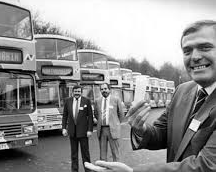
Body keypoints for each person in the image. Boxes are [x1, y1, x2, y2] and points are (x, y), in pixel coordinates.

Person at [86, 20, 216, 172]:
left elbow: (207, 166)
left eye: (205, 47)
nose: (194, 57)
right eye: (187, 51)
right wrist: (141, 128)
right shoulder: (182, 91)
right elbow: (160, 133)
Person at [62, 85, 94, 172]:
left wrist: (90, 130)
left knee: (85, 154)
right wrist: (64, 128)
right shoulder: (68, 101)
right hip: (72, 132)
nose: (77, 93)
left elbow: (90, 116)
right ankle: (74, 170)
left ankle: (88, 170)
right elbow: (65, 115)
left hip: (83, 132)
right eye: (75, 91)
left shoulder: (86, 101)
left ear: (81, 92)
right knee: (74, 154)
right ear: (73, 92)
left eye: (78, 91)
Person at [94, 83, 125, 162]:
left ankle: (117, 169)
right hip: (102, 130)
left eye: (105, 89)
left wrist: (116, 123)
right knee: (102, 154)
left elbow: (121, 114)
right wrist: (102, 121)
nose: (104, 91)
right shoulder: (97, 101)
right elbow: (96, 114)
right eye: (102, 89)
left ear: (109, 89)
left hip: (113, 129)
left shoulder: (116, 99)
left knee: (115, 153)